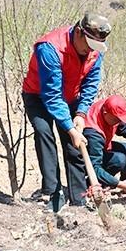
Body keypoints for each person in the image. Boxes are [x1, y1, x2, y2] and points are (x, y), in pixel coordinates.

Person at [22, 13, 109, 212]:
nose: (90, 51)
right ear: (79, 33)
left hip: (71, 96)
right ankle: (53, 192)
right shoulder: (50, 48)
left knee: (74, 146)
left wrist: (80, 114)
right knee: (45, 134)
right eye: (88, 45)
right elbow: (52, 95)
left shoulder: (96, 50)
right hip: (38, 95)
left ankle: (78, 196)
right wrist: (70, 128)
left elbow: (91, 83)